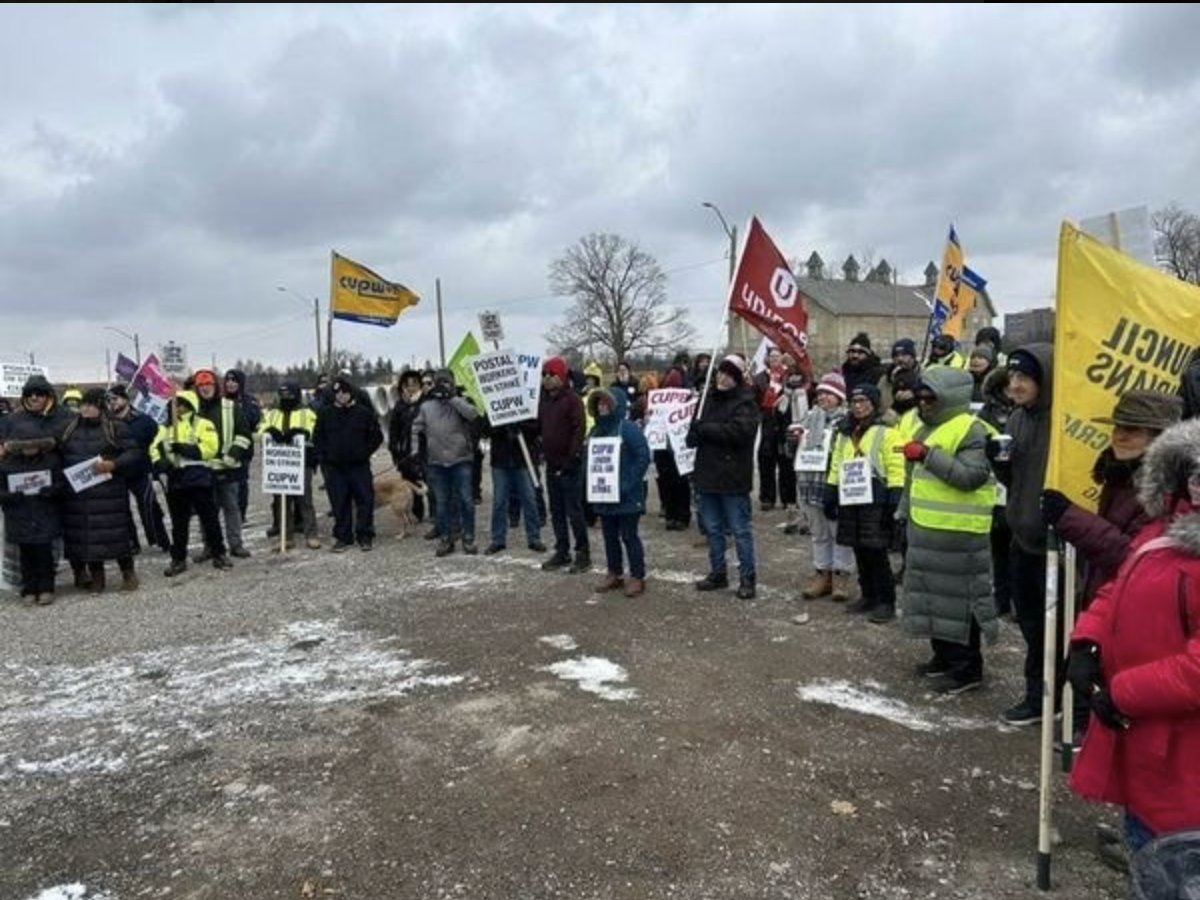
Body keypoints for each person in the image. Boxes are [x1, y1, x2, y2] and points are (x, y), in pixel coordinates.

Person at [1067, 417, 1200, 854]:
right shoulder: (1161, 530)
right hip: (1149, 737)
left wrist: (1122, 692)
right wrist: (1088, 639)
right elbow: (1118, 588)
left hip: (1185, 752)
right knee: (1148, 837)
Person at [898, 369, 998, 693]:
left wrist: (928, 455)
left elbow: (972, 476)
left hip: (960, 533)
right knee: (932, 598)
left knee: (960, 602)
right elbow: (914, 478)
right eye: (921, 397)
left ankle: (967, 668)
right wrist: (903, 509)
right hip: (927, 529)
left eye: (930, 397)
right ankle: (943, 655)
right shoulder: (923, 425)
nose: (923, 403)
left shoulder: (972, 429)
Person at [1042, 390, 1182, 606]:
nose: (1119, 435)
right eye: (1117, 426)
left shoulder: (1167, 487)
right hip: (1111, 602)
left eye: (1132, 430)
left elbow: (1135, 559)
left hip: (1138, 609)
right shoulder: (1118, 475)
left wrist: (1069, 516)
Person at [987, 344, 1055, 725]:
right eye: (1013, 377)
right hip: (1022, 538)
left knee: (1059, 629)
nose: (1015, 385)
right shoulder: (1016, 420)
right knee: (1030, 625)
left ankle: (1070, 706)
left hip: (1056, 545)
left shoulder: (1061, 422)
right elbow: (1013, 481)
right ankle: (1037, 695)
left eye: (1024, 378)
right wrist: (997, 462)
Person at [826, 384, 904, 622]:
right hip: (851, 494)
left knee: (876, 551)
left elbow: (895, 465)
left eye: (863, 401)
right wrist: (831, 489)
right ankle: (868, 594)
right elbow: (837, 462)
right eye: (854, 402)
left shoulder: (887, 431)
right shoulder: (845, 432)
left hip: (876, 495)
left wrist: (895, 496)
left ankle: (886, 600)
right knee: (859, 548)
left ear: (874, 403)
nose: (858, 406)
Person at [688, 354, 759, 600]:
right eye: (721, 372)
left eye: (729, 374)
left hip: (733, 477)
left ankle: (747, 577)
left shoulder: (746, 403)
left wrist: (705, 429)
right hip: (707, 474)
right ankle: (718, 572)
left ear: (737, 379)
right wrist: (693, 432)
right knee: (713, 529)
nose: (722, 377)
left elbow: (740, 432)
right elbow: (693, 435)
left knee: (740, 530)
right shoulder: (706, 400)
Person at [59, 388, 143, 592]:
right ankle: (97, 577)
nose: (85, 409)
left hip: (108, 492)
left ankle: (128, 573)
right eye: (83, 405)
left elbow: (134, 452)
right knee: (87, 537)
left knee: (116, 533)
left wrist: (114, 464)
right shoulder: (69, 428)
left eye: (90, 405)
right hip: (79, 493)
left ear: (101, 406)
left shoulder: (115, 427)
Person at [0, 375, 68, 604]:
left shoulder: (50, 461)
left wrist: (52, 491)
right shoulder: (7, 465)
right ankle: (29, 588)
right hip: (19, 514)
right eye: (30, 394)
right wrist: (9, 496)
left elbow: (61, 483)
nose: (34, 398)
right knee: (26, 553)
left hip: (44, 512)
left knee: (44, 552)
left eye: (39, 394)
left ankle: (46, 587)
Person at [151, 390, 230, 577]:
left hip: (199, 476)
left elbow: (211, 448)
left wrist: (186, 449)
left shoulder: (203, 424)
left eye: (177, 405)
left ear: (187, 406)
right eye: (172, 405)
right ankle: (178, 559)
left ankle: (219, 553)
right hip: (176, 478)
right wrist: (160, 463)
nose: (174, 408)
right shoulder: (166, 427)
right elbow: (154, 447)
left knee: (209, 518)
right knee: (179, 523)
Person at [587, 387, 651, 597]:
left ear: (616, 406)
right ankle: (614, 572)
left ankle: (637, 575)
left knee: (629, 536)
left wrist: (626, 484)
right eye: (599, 403)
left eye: (606, 403)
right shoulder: (595, 431)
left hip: (627, 495)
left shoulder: (628, 429)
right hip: (604, 495)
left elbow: (643, 457)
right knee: (609, 536)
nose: (602, 407)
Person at [797, 372, 854, 601]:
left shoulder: (848, 421)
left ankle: (841, 575)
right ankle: (822, 573)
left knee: (838, 533)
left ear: (839, 397)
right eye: (820, 393)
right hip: (810, 483)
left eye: (829, 393)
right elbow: (797, 452)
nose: (823, 398)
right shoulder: (809, 418)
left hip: (834, 485)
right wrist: (794, 442)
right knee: (819, 533)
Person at [412, 369, 479, 557]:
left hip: (461, 459)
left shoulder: (460, 402)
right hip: (437, 461)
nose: (442, 386)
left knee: (466, 500)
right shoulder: (427, 407)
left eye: (446, 382)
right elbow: (416, 428)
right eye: (439, 383)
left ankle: (468, 537)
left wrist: (452, 397)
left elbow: (472, 414)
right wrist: (415, 450)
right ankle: (446, 538)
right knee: (442, 503)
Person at [313, 376, 383, 552]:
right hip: (335, 468)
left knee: (365, 501)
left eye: (345, 392)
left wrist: (364, 452)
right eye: (338, 393)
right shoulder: (325, 413)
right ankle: (343, 537)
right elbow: (318, 438)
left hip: (359, 467)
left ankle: (365, 535)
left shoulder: (363, 413)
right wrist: (325, 457)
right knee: (339, 503)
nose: (342, 396)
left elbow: (377, 437)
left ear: (351, 393)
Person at [538, 356, 590, 573]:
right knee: (556, 510)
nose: (547, 379)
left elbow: (579, 429)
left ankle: (583, 552)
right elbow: (539, 427)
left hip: (569, 465)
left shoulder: (572, 400)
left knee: (574, 510)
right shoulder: (544, 402)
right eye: (544, 375)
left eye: (551, 374)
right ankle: (562, 550)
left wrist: (572, 457)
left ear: (561, 376)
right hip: (551, 463)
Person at [107, 384, 172, 553]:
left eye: (115, 399)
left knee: (150, 506)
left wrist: (157, 467)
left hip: (141, 471)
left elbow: (156, 443)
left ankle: (161, 540)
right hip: (117, 472)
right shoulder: (107, 423)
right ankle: (131, 543)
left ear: (126, 400)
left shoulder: (143, 420)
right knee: (122, 512)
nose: (112, 403)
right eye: (109, 400)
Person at [259, 381, 321, 550]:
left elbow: (314, 430)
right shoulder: (272, 414)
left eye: (289, 395)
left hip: (302, 461)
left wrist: (301, 432)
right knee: (281, 500)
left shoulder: (307, 412)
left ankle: (311, 534)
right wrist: (270, 432)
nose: (286, 398)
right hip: (279, 463)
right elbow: (261, 429)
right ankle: (286, 536)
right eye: (283, 395)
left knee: (305, 499)